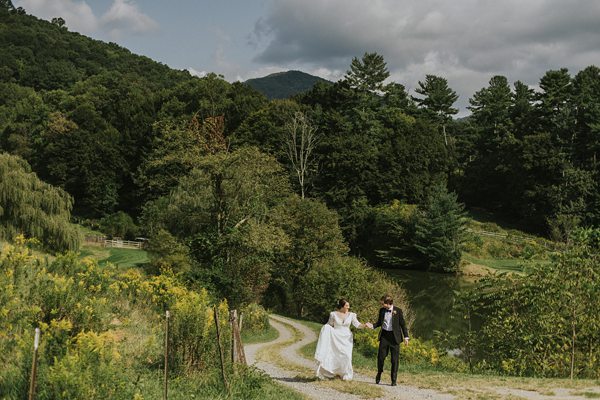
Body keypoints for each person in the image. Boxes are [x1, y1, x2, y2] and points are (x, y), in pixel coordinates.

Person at [314, 299, 369, 380]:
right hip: (335, 337)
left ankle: (346, 374)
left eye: (348, 305)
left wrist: (365, 325)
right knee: (336, 355)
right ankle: (333, 373)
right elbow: (329, 325)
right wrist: (325, 332)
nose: (348, 307)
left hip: (347, 338)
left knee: (347, 355)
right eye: (346, 306)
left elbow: (357, 325)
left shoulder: (352, 315)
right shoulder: (333, 314)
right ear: (342, 306)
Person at [371, 294, 409, 386]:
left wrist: (406, 337)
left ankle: (393, 380)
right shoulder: (382, 310)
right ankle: (379, 372)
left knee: (394, 360)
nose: (381, 305)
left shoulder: (398, 311)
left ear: (388, 303)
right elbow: (379, 322)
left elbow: (403, 324)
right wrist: (372, 326)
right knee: (381, 357)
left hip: (395, 338)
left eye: (383, 303)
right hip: (384, 336)